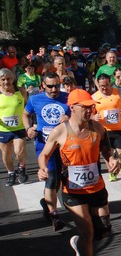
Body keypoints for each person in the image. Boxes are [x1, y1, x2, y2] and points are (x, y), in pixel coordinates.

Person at [37, 89, 120, 256]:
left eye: (91, 106)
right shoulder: (60, 131)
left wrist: (112, 161)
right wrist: (42, 168)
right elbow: (44, 154)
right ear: (73, 108)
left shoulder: (98, 128)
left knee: (103, 231)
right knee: (87, 230)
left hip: (97, 187)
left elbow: (107, 151)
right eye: (85, 107)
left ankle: (80, 244)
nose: (90, 110)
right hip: (73, 191)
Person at [23, 72, 70, 230]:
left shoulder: (67, 98)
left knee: (59, 180)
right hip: (44, 145)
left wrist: (69, 119)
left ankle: (46, 202)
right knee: (51, 177)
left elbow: (78, 116)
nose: (54, 89)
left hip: (63, 146)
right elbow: (25, 114)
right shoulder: (35, 99)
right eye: (50, 86)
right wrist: (28, 128)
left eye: (57, 85)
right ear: (43, 86)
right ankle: (54, 215)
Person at [93, 74, 121, 181]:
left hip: (119, 128)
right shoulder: (95, 97)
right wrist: (93, 116)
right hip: (104, 130)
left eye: (106, 85)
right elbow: (88, 113)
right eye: (101, 86)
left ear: (110, 83)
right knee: (107, 153)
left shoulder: (118, 92)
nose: (104, 88)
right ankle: (112, 172)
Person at [0, 68, 28, 186]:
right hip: (3, 129)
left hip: (19, 127)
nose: (6, 82)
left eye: (8, 79)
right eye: (3, 79)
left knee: (19, 151)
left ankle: (21, 168)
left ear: (13, 79)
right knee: (6, 154)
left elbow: (26, 106)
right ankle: (11, 173)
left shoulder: (20, 91)